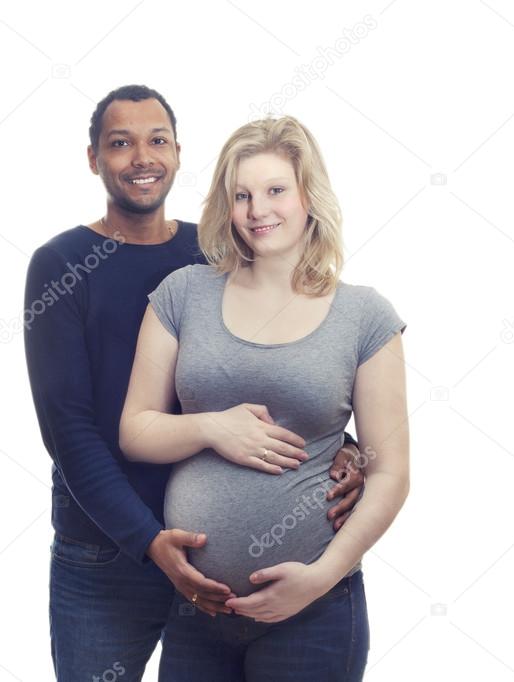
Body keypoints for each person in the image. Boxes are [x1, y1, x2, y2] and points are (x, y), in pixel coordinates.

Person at [23, 85, 368, 682]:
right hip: (106, 552)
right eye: (120, 143)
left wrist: (345, 446)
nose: (141, 158)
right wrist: (150, 541)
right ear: (93, 159)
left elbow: (290, 355)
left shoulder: (212, 253)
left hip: (215, 566)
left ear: (179, 153)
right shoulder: (60, 265)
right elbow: (69, 432)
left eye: (157, 140)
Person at [119, 114, 410, 680]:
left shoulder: (364, 316)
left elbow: (392, 471)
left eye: (276, 190)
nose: (258, 211)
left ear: (309, 198)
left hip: (314, 614)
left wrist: (320, 577)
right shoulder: (183, 294)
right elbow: (136, 429)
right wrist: (210, 427)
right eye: (242, 195)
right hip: (196, 609)